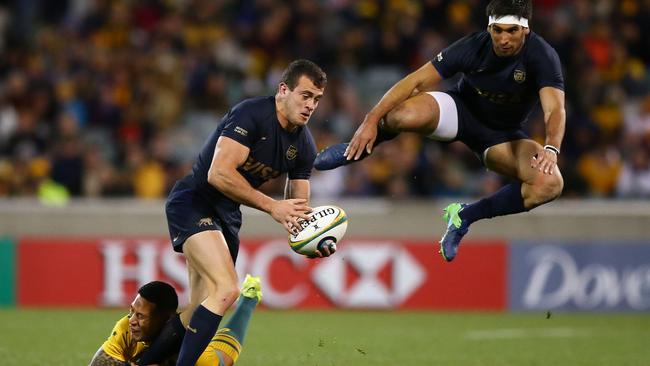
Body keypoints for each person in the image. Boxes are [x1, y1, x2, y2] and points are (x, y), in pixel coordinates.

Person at [314, 0, 565, 262]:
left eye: (511, 31)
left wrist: (551, 147)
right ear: (489, 27)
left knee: (549, 184)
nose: (503, 38)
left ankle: (465, 216)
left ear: (525, 29)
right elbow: (416, 80)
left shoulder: (542, 57)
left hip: (501, 136)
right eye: (497, 30)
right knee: (399, 114)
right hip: (460, 111)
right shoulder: (473, 46)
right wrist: (369, 121)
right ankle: (353, 150)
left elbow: (555, 110)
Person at [137, 59, 333, 366]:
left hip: (226, 215)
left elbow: (298, 211)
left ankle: (139, 362)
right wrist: (271, 206)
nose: (311, 105)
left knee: (199, 307)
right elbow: (218, 174)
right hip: (194, 201)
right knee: (227, 288)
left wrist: (314, 238)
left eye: (317, 99)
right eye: (305, 95)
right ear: (283, 90)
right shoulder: (251, 114)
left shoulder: (304, 146)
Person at [88, 275, 263, 366]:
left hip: (206, 357)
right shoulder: (126, 327)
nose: (132, 320)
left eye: (140, 316)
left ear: (167, 320)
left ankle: (249, 297)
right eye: (132, 311)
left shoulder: (195, 355)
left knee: (224, 355)